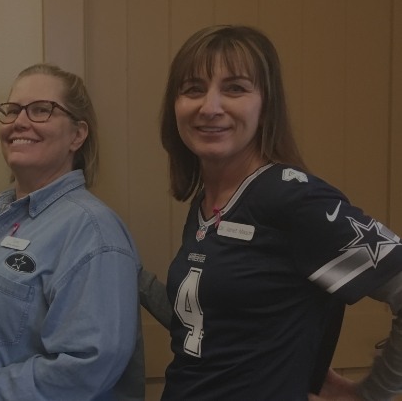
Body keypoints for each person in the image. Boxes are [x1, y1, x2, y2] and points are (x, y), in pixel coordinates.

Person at [149, 24, 402, 400]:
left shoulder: (293, 199)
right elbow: (207, 323)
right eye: (193, 89)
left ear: (267, 105)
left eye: (235, 88)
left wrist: (372, 394)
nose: (210, 107)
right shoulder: (208, 204)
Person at [0, 63, 145, 401]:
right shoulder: (4, 216)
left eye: (41, 110)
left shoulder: (92, 231)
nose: (19, 121)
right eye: (12, 110)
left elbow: (85, 369)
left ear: (77, 135)